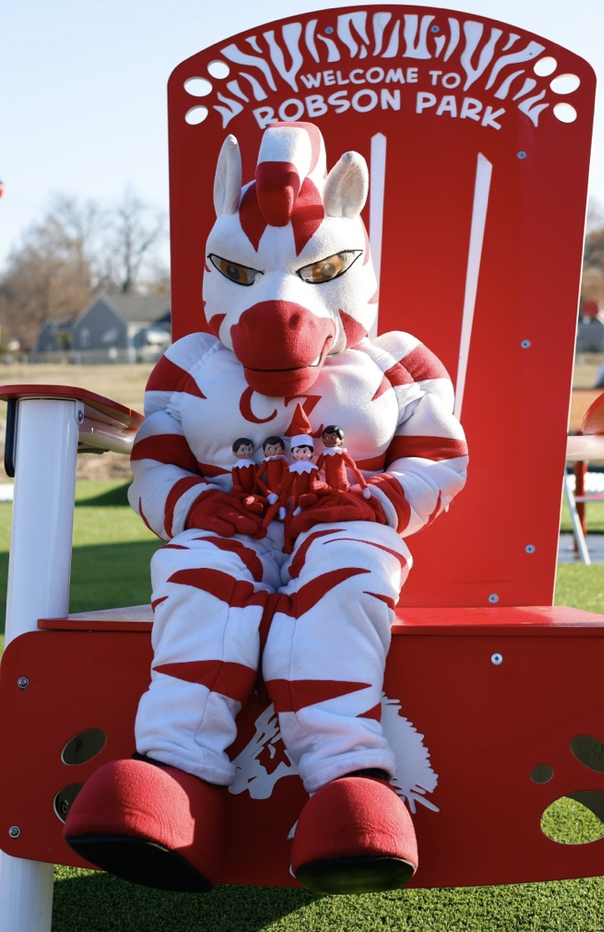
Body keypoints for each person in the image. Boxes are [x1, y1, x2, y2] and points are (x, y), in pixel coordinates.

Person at [65, 121, 468, 896]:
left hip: (344, 529)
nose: (279, 303)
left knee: (346, 585)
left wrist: (376, 500)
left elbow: (440, 458)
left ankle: (349, 783)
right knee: (193, 578)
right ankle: (173, 776)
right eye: (240, 274)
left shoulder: (397, 361)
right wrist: (193, 507)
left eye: (320, 272)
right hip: (228, 529)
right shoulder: (188, 363)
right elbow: (155, 461)